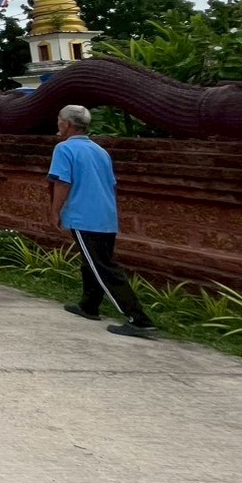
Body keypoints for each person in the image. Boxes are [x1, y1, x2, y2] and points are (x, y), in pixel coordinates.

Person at [50, 105, 156, 337]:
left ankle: (138, 318)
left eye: (59, 120)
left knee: (103, 266)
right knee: (93, 261)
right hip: (106, 215)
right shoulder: (99, 150)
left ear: (67, 124)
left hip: (83, 215)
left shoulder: (64, 148)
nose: (57, 124)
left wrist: (55, 211)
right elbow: (112, 184)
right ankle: (89, 305)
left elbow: (62, 182)